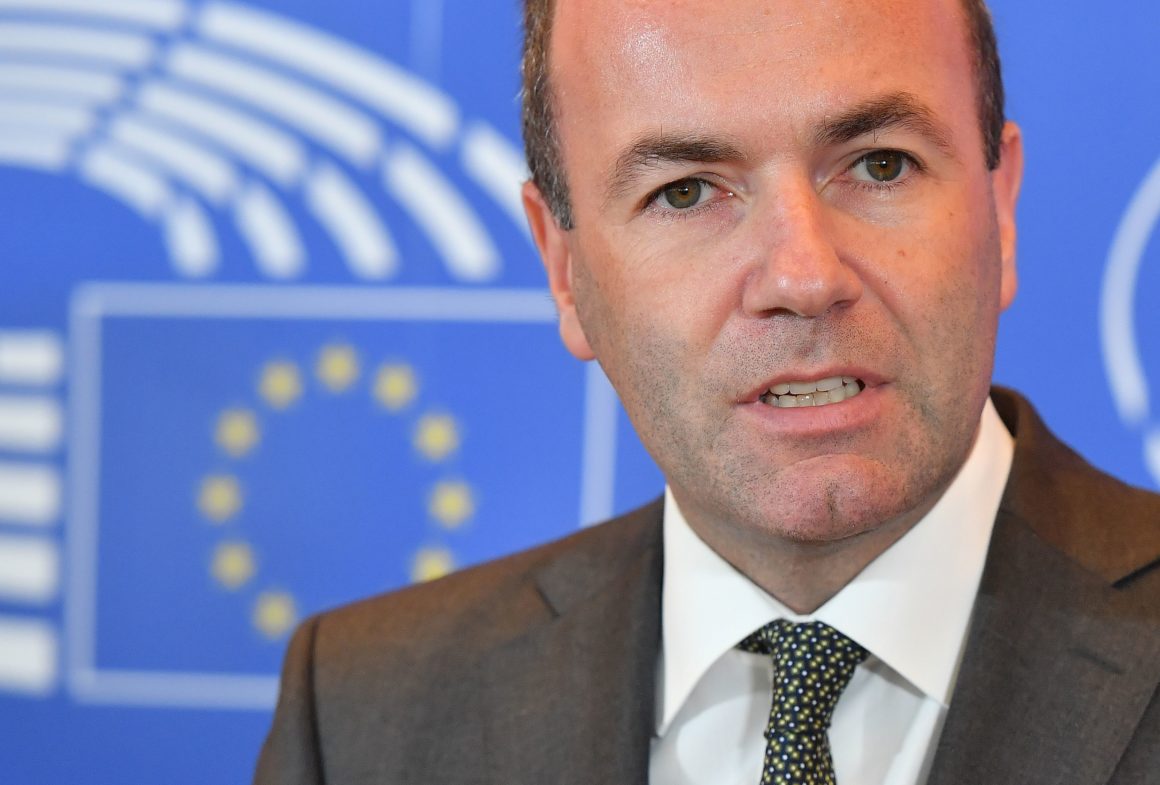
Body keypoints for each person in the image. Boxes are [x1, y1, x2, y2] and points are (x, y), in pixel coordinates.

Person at [254, 0, 1160, 782]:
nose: (804, 277)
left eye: (879, 164)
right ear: (564, 269)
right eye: (686, 192)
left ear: (1000, 206)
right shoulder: (363, 717)